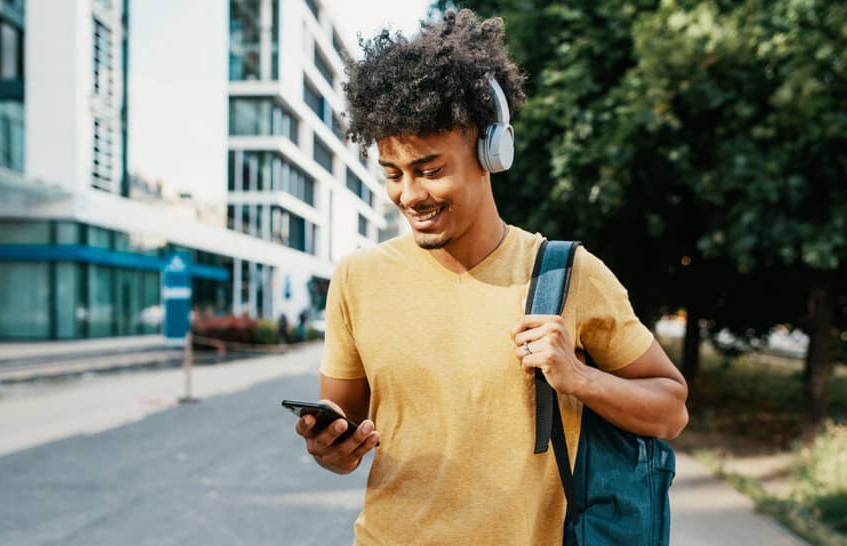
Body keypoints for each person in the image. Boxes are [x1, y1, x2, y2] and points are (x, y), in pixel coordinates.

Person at [293, 9, 689, 545]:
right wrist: (329, 450)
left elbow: (670, 409)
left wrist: (578, 378)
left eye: (430, 170)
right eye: (394, 174)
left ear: (490, 151)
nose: (409, 195)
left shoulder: (568, 273)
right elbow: (347, 439)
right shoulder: (358, 278)